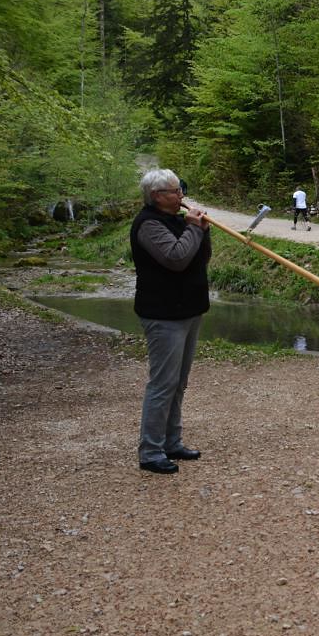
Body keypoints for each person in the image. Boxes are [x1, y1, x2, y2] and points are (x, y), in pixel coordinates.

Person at [130, 168, 211, 474]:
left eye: (181, 190)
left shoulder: (177, 219)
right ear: (157, 196)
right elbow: (176, 259)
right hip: (163, 314)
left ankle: (171, 441)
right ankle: (150, 451)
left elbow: (198, 258)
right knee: (163, 384)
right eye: (175, 192)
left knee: (179, 383)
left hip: (189, 310)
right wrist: (193, 229)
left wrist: (203, 230)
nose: (181, 196)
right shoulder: (148, 224)